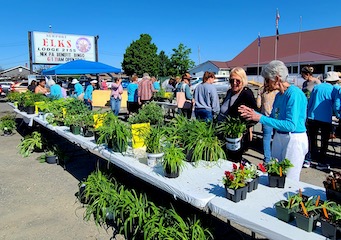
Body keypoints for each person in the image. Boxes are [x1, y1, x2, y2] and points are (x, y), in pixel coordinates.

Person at [239, 60, 308, 181]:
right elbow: (271, 118)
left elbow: (290, 125)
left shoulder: (294, 94)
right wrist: (252, 113)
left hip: (293, 139)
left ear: (276, 78)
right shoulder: (279, 95)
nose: (265, 83)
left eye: (266, 80)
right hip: (279, 136)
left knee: (289, 178)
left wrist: (260, 117)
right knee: (274, 173)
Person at [217, 67, 258, 163]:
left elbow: (255, 115)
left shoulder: (246, 94)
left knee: (234, 162)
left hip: (237, 137)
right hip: (223, 135)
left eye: (237, 81)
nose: (234, 83)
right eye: (232, 80)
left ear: (243, 80)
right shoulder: (229, 92)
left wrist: (244, 126)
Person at [304, 71, 341, 170]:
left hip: (312, 116)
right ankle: (321, 162)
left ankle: (308, 160)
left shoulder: (317, 87)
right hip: (326, 118)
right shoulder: (335, 89)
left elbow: (310, 101)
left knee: (311, 140)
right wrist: (338, 115)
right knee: (324, 142)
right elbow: (336, 104)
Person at [256, 79, 279, 164]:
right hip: (277, 117)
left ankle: (267, 159)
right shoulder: (277, 90)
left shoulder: (262, 90)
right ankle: (276, 158)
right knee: (277, 138)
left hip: (266, 117)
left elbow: (258, 104)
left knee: (266, 138)